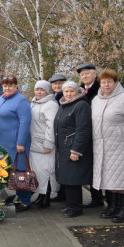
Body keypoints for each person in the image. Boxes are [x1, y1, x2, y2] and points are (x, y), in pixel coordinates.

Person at [92, 69, 124, 223]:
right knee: (109, 178)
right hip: (102, 147)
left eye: (110, 81)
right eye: (103, 82)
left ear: (116, 83)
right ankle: (113, 206)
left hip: (122, 146)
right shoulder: (96, 100)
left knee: (123, 179)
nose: (106, 85)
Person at [0, 75, 32, 212]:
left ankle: (25, 201)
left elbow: (25, 122)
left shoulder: (21, 101)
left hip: (16, 144)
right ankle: (17, 196)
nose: (7, 88)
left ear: (16, 86)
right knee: (8, 171)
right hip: (3, 142)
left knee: (21, 172)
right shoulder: (2, 98)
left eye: (10, 85)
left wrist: (21, 142)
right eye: (5, 85)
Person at [54, 81, 93, 218]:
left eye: (71, 91)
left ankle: (76, 207)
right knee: (67, 179)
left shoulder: (81, 105)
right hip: (63, 148)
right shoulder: (63, 105)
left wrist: (76, 150)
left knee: (73, 179)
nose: (68, 94)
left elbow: (83, 129)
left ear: (77, 92)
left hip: (72, 148)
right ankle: (70, 205)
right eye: (66, 91)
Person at [76, 63, 105, 208]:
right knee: (90, 166)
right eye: (82, 74)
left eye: (87, 73)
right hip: (85, 132)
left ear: (95, 74)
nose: (84, 76)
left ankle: (99, 198)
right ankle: (96, 197)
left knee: (98, 166)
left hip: (98, 131)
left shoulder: (99, 89)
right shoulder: (80, 90)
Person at [29, 80, 59, 209]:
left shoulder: (51, 104)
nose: (39, 92)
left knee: (47, 172)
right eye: (37, 89)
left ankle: (46, 197)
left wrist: (48, 143)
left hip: (45, 145)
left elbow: (51, 126)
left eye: (42, 89)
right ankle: (40, 195)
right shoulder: (33, 103)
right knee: (38, 172)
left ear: (47, 91)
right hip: (34, 144)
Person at [48, 73, 67, 202]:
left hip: (64, 135)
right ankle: (61, 193)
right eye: (55, 84)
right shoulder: (52, 98)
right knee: (58, 166)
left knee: (65, 166)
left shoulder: (66, 97)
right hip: (55, 135)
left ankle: (65, 194)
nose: (57, 86)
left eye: (60, 83)